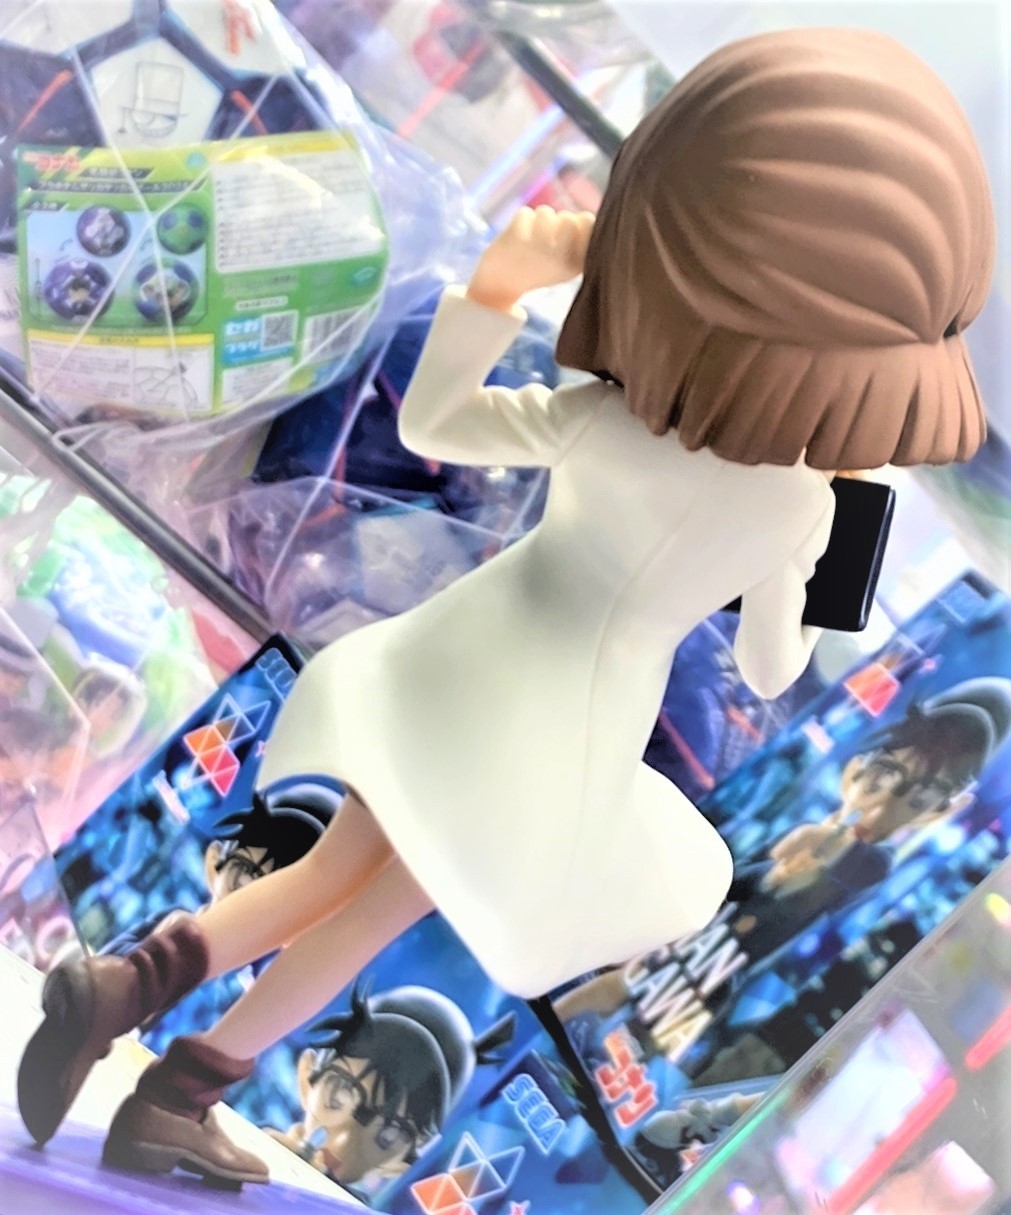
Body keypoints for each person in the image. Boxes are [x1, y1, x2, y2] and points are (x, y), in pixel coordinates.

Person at [19, 29, 994, 1187]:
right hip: (552, 745)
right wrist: (845, 537)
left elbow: (438, 423)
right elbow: (778, 670)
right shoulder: (790, 509)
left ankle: (149, 1028)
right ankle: (159, 1049)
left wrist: (494, 290)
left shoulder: (619, 414)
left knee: (345, 883)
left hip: (450, 662)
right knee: (360, 899)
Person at [265, 985, 515, 1192]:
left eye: (387, 1136)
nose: (342, 1143)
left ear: (402, 1161)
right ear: (307, 1075)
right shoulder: (255, 1143)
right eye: (337, 1097)